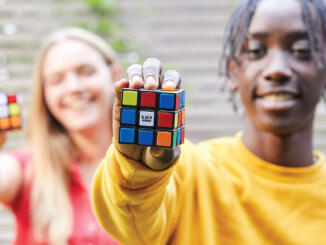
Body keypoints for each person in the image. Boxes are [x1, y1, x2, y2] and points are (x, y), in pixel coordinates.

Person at [91, 0, 326, 244]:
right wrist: (139, 170)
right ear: (233, 71)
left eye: (301, 50)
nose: (276, 70)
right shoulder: (189, 171)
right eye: (256, 51)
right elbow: (131, 222)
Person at [0, 27, 122, 244]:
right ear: (45, 94)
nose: (73, 87)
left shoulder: (151, 170)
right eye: (56, 80)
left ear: (114, 76)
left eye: (86, 71)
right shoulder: (26, 168)